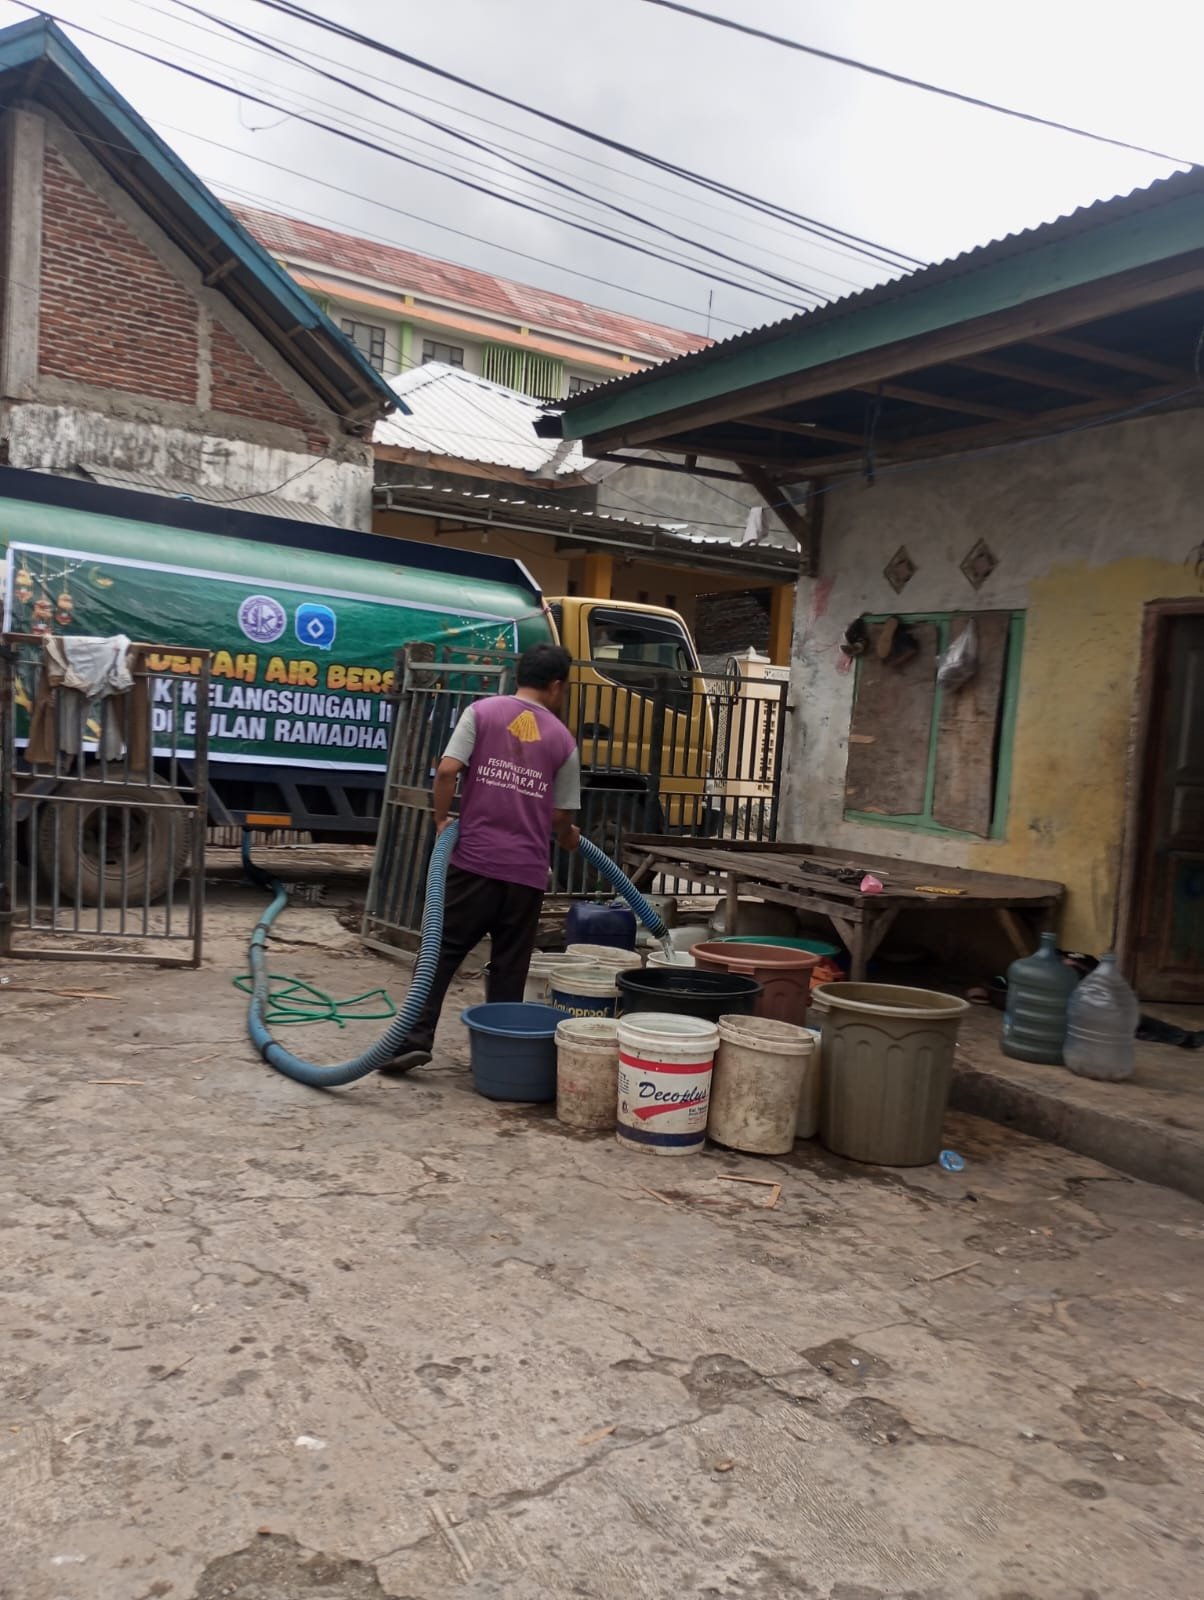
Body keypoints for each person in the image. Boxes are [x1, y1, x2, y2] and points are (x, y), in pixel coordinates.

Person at [381, 642, 581, 1075]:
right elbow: (561, 815)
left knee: (441, 953)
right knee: (509, 968)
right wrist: (567, 837)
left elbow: (448, 770)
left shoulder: (482, 712)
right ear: (556, 685)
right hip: (526, 875)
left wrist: (440, 821)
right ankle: (500, 1062)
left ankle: (413, 1041)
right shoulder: (564, 741)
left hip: (473, 862)